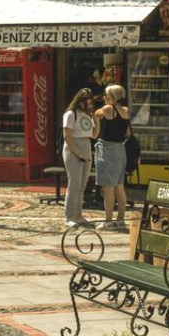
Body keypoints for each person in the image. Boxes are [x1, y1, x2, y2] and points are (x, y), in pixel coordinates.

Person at [93, 85, 132, 229]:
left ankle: (108, 220)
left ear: (114, 97)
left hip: (108, 149)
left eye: (107, 95)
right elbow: (127, 133)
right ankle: (120, 219)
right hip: (120, 150)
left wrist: (97, 120)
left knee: (108, 188)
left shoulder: (108, 109)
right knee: (119, 187)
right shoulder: (125, 110)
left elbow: (96, 113)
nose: (104, 98)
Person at [61, 87, 96, 228]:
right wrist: (78, 153)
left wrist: (97, 121)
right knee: (74, 184)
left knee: (82, 184)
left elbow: (94, 135)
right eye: (85, 101)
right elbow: (67, 136)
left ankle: (78, 214)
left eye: (89, 101)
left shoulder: (88, 114)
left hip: (86, 144)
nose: (88, 103)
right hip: (73, 146)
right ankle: (69, 216)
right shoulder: (71, 114)